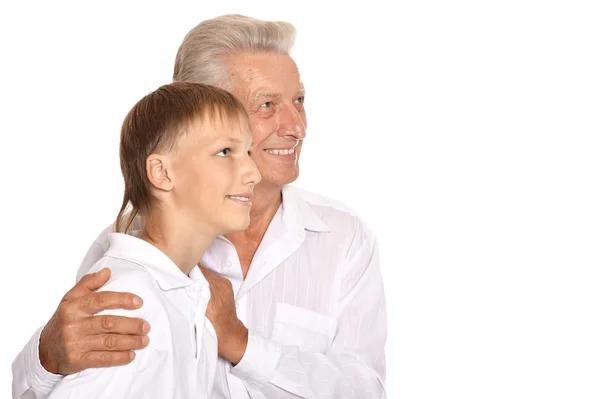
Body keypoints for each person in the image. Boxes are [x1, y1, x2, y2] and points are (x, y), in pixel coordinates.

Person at [12, 14, 387, 399]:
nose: (296, 126)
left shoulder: (344, 238)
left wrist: (239, 341)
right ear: (198, 110)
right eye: (266, 105)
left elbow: (364, 389)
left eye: (299, 101)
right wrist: (46, 357)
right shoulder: (128, 254)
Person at [46, 82, 260, 398]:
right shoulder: (129, 301)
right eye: (225, 151)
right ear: (161, 172)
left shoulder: (195, 298)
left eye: (249, 152)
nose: (253, 172)